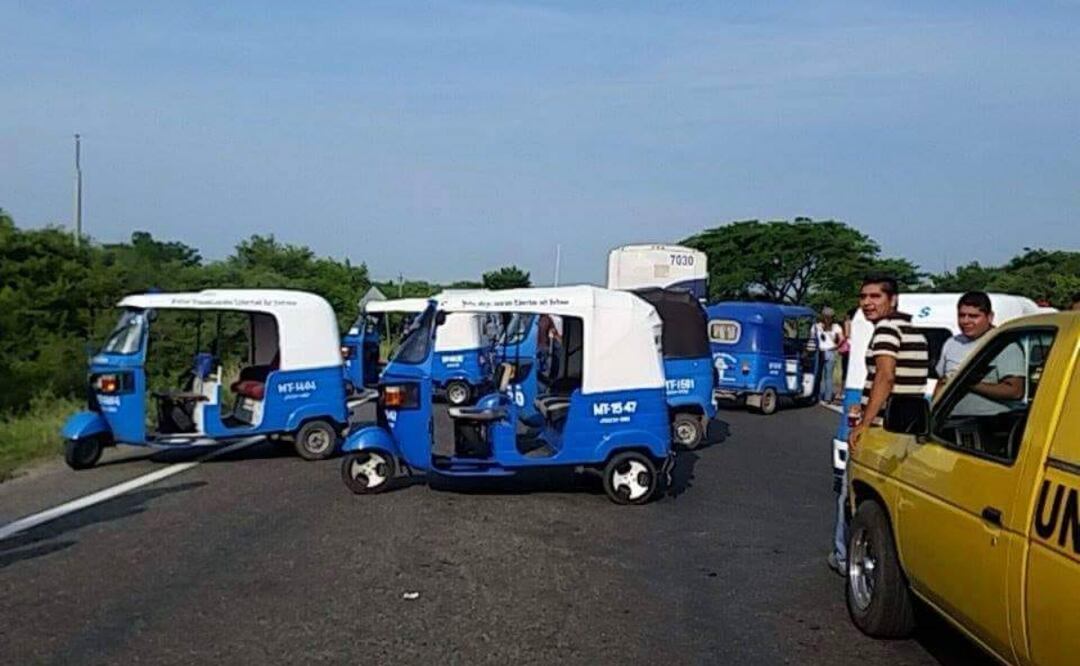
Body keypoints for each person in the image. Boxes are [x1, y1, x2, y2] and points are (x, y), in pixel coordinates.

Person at [829, 275, 929, 577]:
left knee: (852, 495)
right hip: (908, 426)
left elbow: (885, 376)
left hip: (885, 428)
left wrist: (865, 422)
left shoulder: (885, 330)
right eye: (864, 297)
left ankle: (845, 556)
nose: (868, 303)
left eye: (875, 297)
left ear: (893, 299)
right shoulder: (912, 330)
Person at [933, 291, 1008, 400]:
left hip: (991, 415)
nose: (966, 321)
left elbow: (1015, 391)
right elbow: (942, 381)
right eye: (962, 315)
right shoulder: (951, 343)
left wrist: (967, 384)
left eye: (973, 316)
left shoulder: (1002, 343)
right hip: (952, 415)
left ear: (990, 317)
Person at [811, 307, 844, 403]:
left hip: (819, 352)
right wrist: (836, 346)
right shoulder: (836, 327)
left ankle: (815, 395)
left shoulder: (816, 326)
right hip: (830, 351)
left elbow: (812, 339)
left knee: (817, 375)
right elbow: (842, 339)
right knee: (828, 377)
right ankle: (828, 397)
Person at [838, 307, 857, 380]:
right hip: (855, 347)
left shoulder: (847, 322)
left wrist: (839, 346)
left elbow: (846, 335)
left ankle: (843, 388)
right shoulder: (859, 323)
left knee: (845, 368)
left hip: (848, 347)